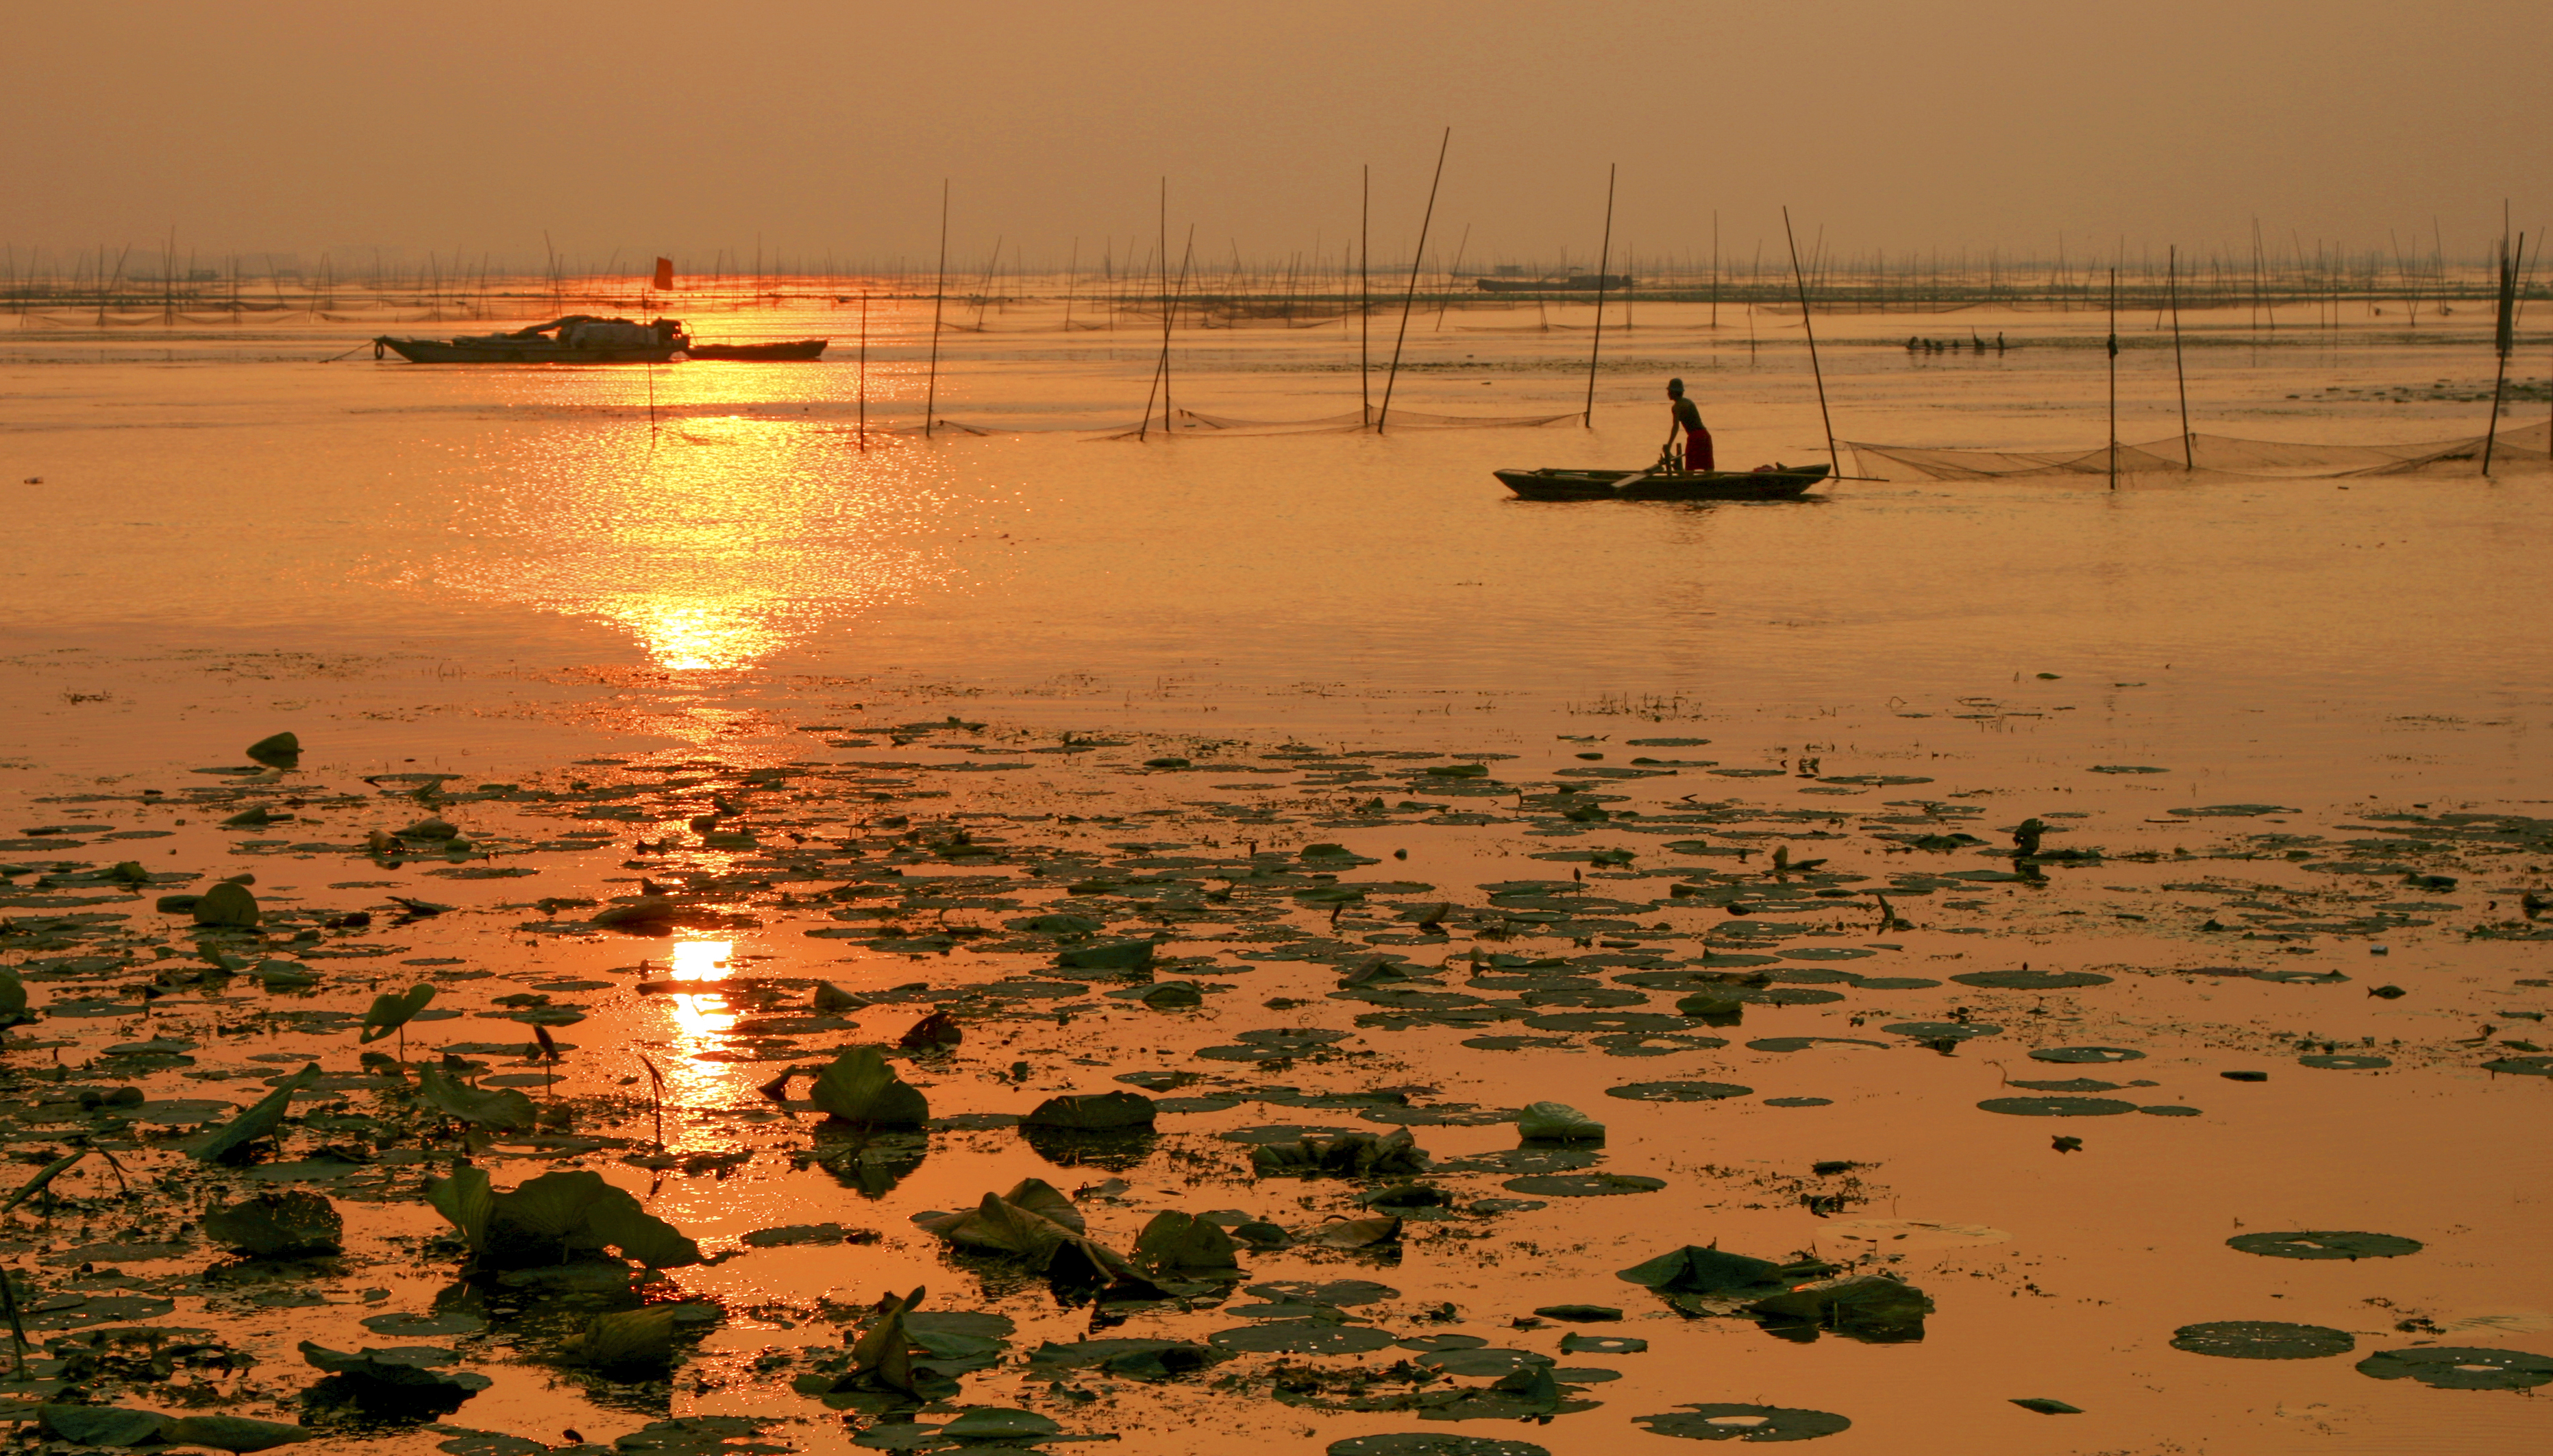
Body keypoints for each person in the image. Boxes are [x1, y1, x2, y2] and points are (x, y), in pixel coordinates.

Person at [1664, 378, 1713, 473]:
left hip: (1695, 437)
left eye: (1669, 391)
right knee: (1708, 468)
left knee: (1690, 469)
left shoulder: (1677, 407)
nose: (1668, 394)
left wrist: (1669, 445)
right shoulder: (1688, 402)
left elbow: (1675, 427)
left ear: (1674, 392)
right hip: (1705, 435)